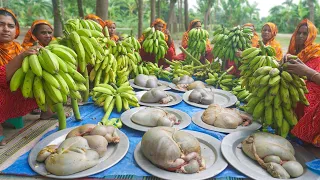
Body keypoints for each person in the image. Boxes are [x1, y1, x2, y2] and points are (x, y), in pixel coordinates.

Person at [0, 8, 56, 144]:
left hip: (14, 89)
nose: (6, 29)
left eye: (10, 26)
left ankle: (46, 111)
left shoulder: (18, 48)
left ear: (16, 29)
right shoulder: (22, 52)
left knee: (45, 78)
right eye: (1, 24)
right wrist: (21, 58)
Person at [284, 19, 320, 147]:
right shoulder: (292, 52)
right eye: (299, 33)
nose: (301, 36)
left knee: (310, 89)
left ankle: (309, 135)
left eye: (305, 34)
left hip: (308, 94)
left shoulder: (316, 53)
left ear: (312, 36)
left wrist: (308, 73)